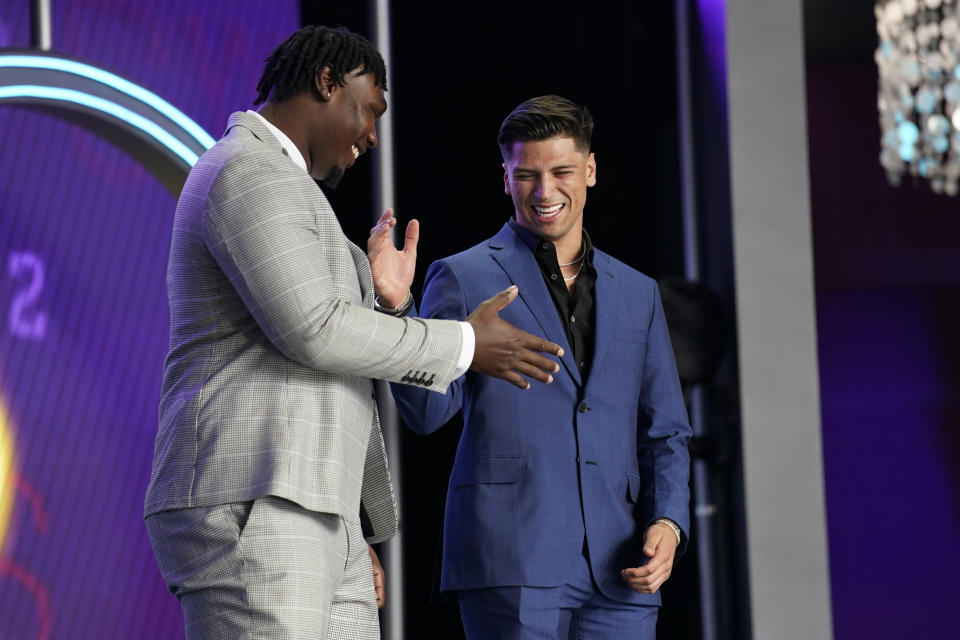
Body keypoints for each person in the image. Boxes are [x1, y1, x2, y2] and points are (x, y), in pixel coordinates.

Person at [143, 27, 562, 640]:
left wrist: (346, 520)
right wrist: (464, 344)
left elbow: (334, 361)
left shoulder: (288, 190)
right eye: (371, 110)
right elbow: (315, 332)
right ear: (326, 81)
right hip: (255, 501)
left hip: (309, 510)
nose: (372, 134)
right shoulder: (246, 172)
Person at [387, 95, 692, 638]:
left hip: (621, 570)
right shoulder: (462, 276)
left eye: (561, 172)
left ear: (590, 171)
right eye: (527, 174)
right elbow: (425, 416)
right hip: (509, 559)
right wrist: (399, 312)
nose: (545, 191)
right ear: (505, 178)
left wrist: (667, 523)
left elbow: (665, 431)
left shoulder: (638, 292)